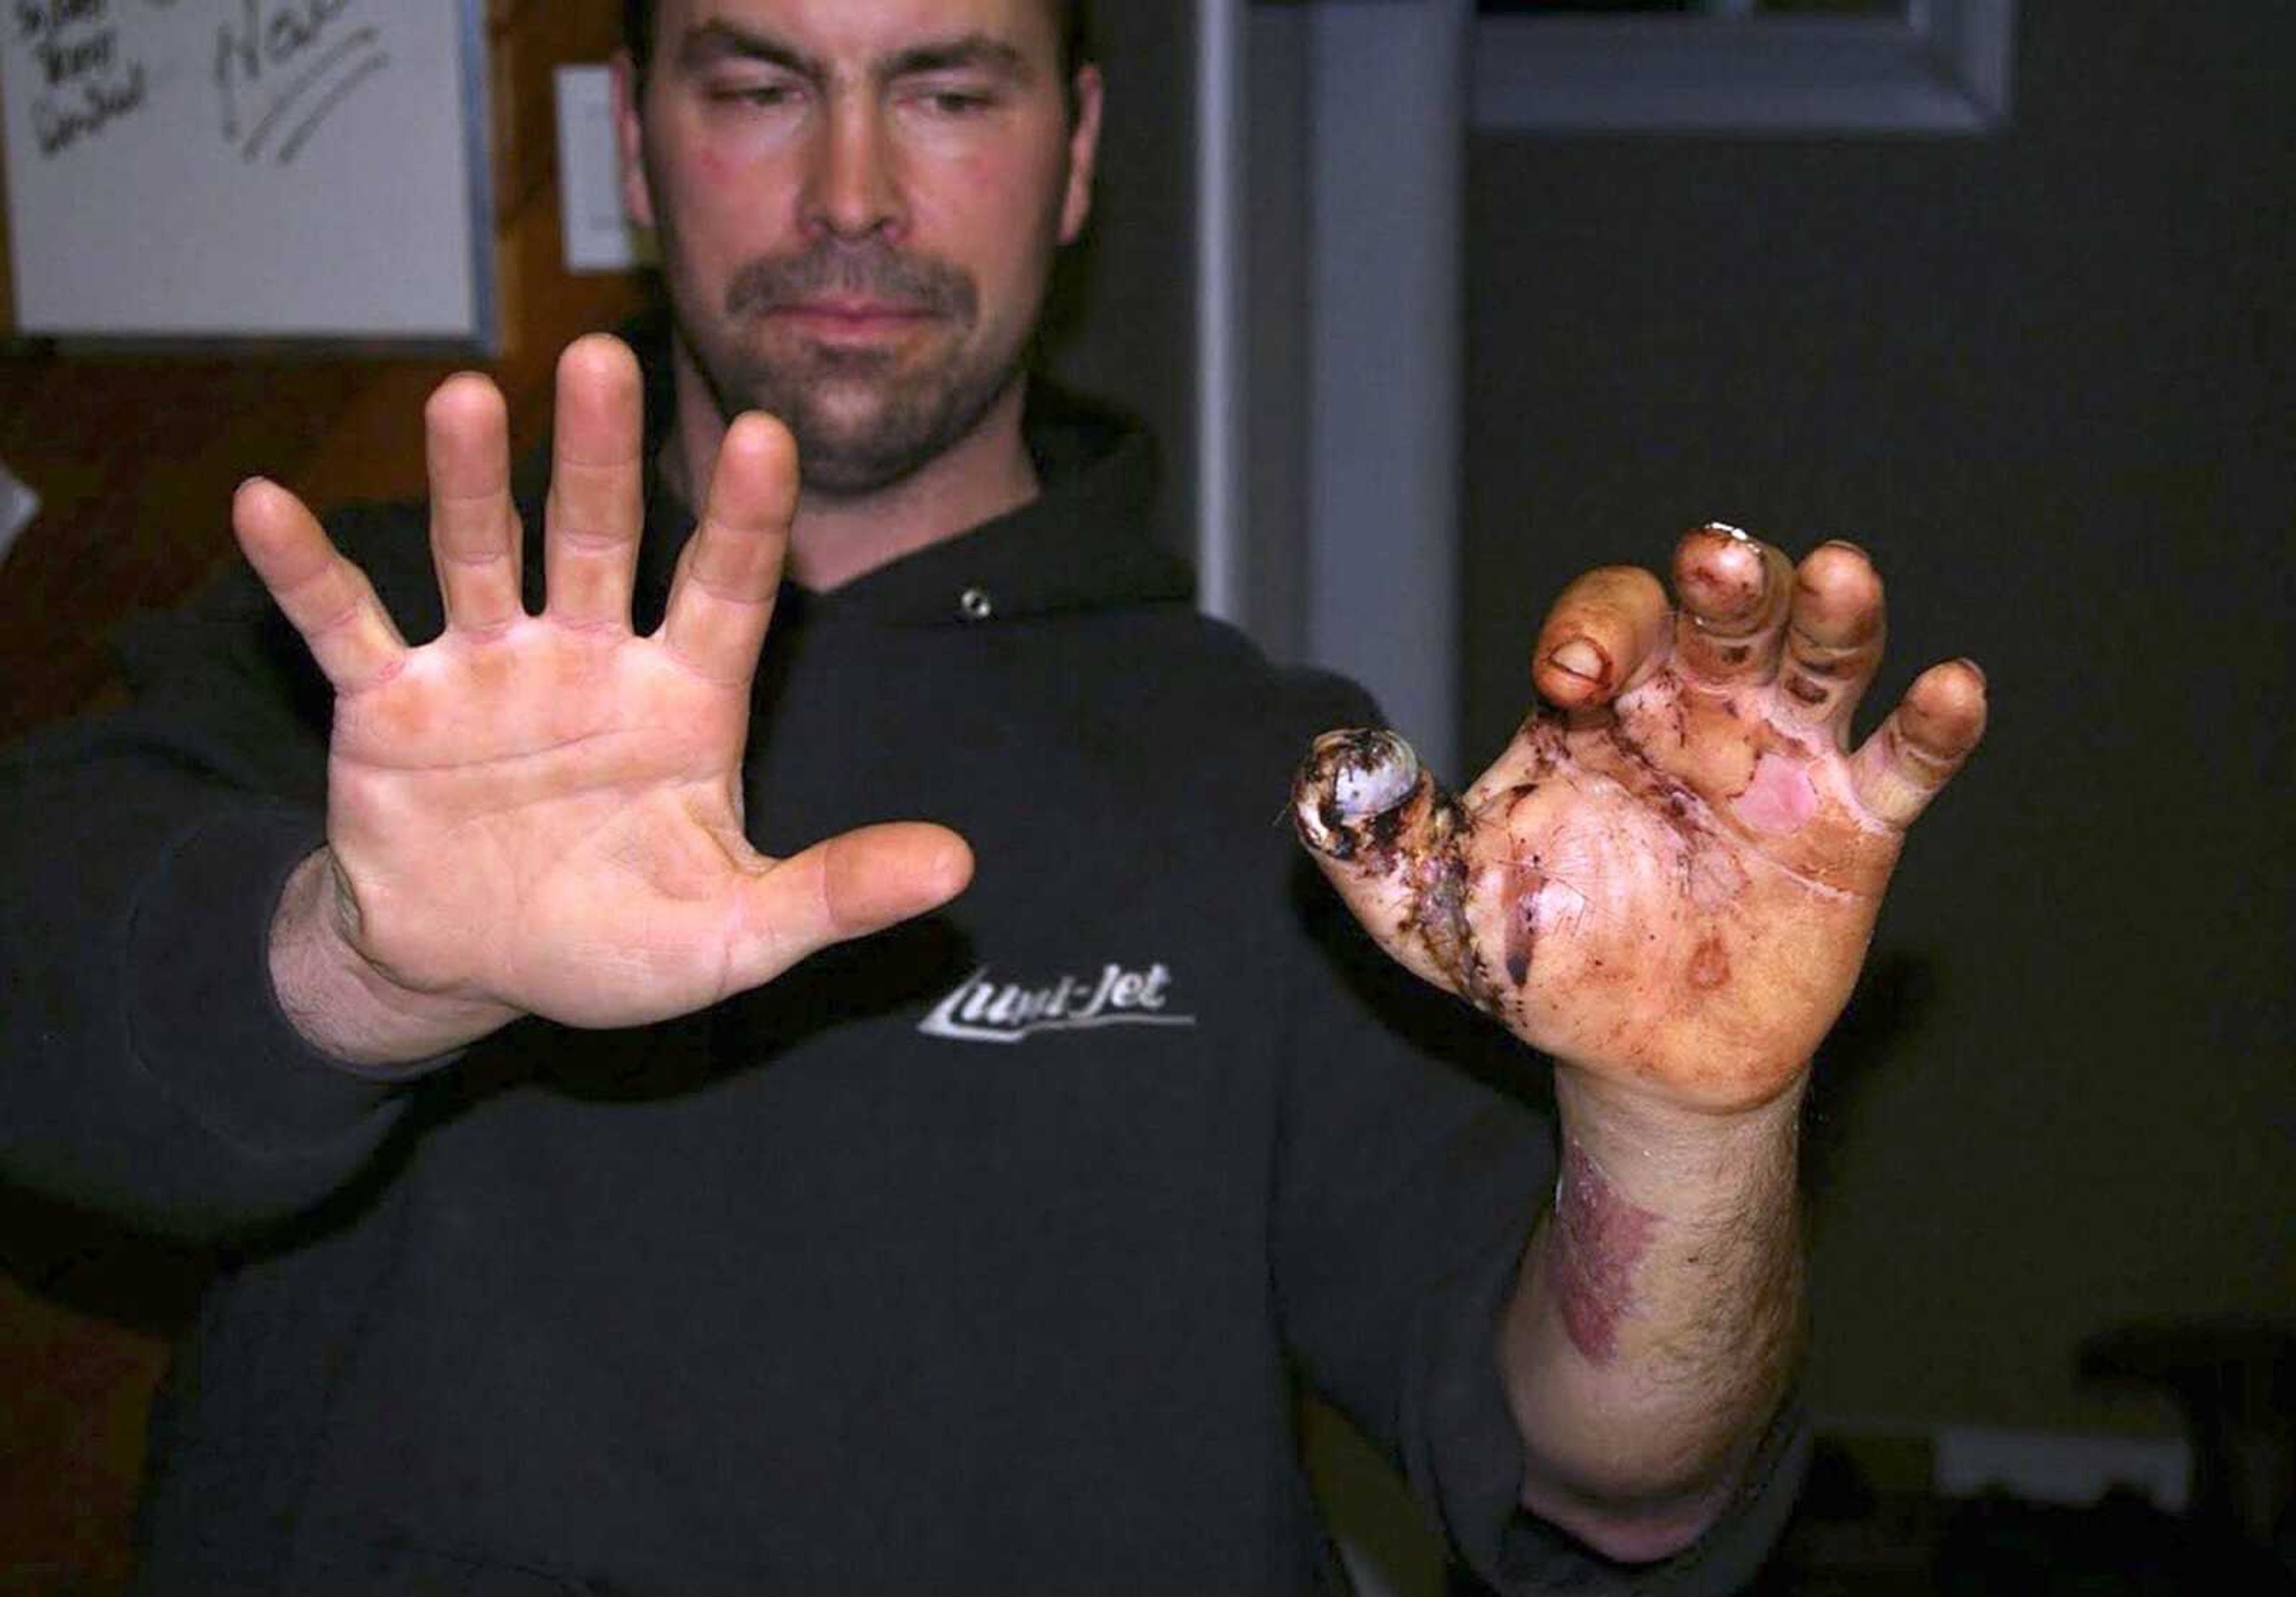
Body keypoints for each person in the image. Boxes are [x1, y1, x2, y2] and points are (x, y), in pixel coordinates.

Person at [0, 0, 1987, 1591]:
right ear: (630, 143)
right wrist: (358, 967)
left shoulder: (1298, 803)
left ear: (1081, 154)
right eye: (762, 81)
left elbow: (1613, 1488)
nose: (851, 189)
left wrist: (1681, 1143)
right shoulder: (377, 671)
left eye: (947, 87)